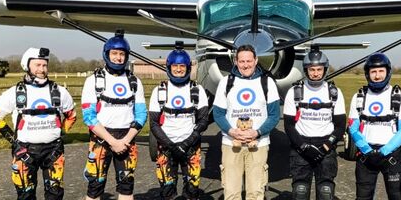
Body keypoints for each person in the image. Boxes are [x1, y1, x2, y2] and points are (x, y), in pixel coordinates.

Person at [0, 47, 76, 200]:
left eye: (44, 65)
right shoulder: (14, 92)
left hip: (54, 151)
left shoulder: (60, 91)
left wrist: (60, 133)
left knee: (55, 195)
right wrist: (14, 142)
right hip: (24, 152)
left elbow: (71, 116)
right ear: (27, 66)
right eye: (37, 65)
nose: (42, 69)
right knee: (25, 196)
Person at [81, 31, 147, 200]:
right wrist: (112, 141)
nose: (118, 58)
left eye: (122, 54)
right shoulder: (93, 80)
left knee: (126, 188)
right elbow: (89, 116)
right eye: (115, 53)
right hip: (101, 139)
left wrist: (124, 141)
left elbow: (141, 115)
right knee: (95, 187)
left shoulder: (134, 81)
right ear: (107, 54)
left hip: (127, 139)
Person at [212, 44, 280, 200]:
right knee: (231, 193)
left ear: (256, 60)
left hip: (258, 144)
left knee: (255, 193)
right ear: (235, 61)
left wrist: (257, 132)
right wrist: (231, 131)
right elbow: (218, 113)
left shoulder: (267, 82)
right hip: (231, 144)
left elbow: (274, 115)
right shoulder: (225, 82)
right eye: (241, 61)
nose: (245, 65)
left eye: (249, 61)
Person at [283, 45, 346, 200]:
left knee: (326, 191)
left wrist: (326, 147)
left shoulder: (335, 93)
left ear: (325, 69)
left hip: (326, 146)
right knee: (300, 190)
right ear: (306, 70)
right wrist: (304, 147)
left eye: (319, 69)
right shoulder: (294, 92)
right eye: (312, 69)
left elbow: (340, 126)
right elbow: (289, 125)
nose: (315, 73)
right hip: (301, 147)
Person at [347, 52, 401, 200]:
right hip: (366, 155)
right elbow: (353, 127)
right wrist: (367, 150)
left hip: (391, 155)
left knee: (396, 195)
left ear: (388, 72)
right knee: (363, 196)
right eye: (373, 72)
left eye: (381, 71)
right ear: (367, 74)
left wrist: (383, 151)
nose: (377, 76)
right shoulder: (359, 97)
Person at [148, 43, 209, 199]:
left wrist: (186, 143)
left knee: (192, 191)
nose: (179, 69)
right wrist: (171, 145)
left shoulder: (197, 89)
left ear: (188, 67)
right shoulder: (160, 90)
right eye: (175, 66)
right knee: (167, 192)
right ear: (169, 67)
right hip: (167, 147)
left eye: (182, 66)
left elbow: (203, 121)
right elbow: (154, 124)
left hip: (190, 147)